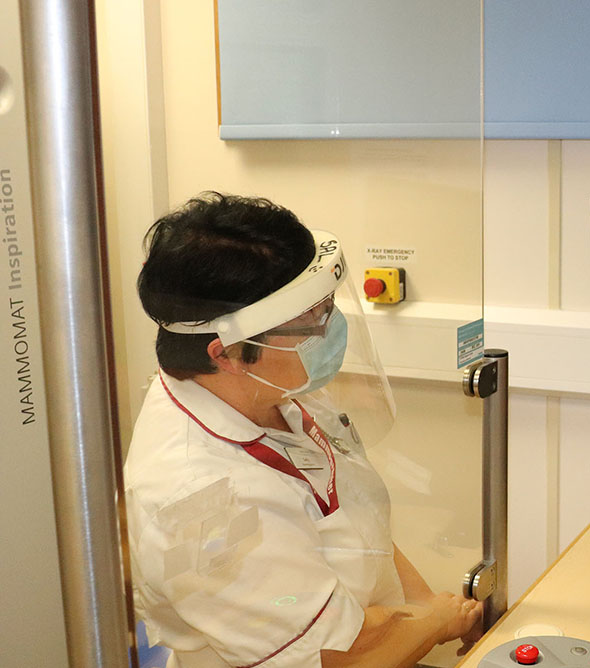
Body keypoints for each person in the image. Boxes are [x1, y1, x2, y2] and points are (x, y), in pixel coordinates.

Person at [124, 193, 482, 668]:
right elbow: (331, 661)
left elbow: (360, 527)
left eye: (326, 309)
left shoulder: (269, 388)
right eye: (306, 323)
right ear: (226, 353)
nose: (327, 330)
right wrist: (436, 622)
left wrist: (425, 610)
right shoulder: (199, 502)